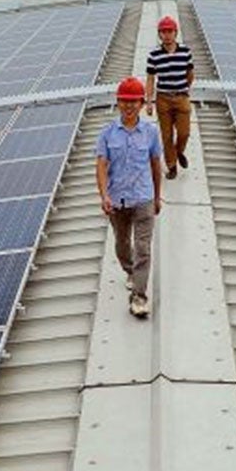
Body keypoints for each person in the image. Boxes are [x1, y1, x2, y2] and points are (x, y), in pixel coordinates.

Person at [97, 76, 164, 318]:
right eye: (124, 101)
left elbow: (156, 164)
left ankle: (139, 296)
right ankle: (130, 271)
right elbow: (102, 166)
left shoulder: (151, 132)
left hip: (143, 198)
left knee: (143, 248)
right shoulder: (106, 134)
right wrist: (104, 195)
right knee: (122, 245)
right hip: (117, 201)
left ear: (141, 102)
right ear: (118, 103)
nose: (129, 106)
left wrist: (157, 196)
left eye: (133, 101)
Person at [145, 13, 195, 178]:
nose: (167, 35)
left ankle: (179, 151)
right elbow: (151, 79)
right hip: (163, 99)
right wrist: (149, 102)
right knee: (166, 135)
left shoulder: (185, 52)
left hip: (181, 97)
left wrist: (184, 89)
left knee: (184, 133)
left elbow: (190, 74)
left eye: (170, 31)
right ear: (160, 34)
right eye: (163, 31)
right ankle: (172, 165)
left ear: (175, 32)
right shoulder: (154, 56)